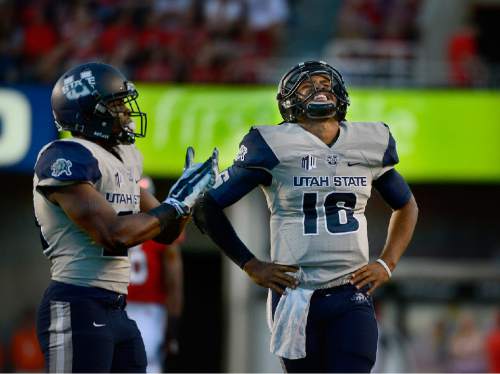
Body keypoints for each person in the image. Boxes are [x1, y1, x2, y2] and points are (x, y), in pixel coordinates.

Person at [194, 60, 418, 372]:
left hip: (350, 292)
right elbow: (206, 206)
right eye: (306, 85)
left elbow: (406, 205)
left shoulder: (368, 142)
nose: (319, 90)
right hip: (296, 295)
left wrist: (387, 262)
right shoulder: (272, 145)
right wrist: (250, 264)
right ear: (289, 101)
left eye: (325, 83)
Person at [33, 62, 218, 373]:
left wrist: (185, 203)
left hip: (117, 307)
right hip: (76, 300)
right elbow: (113, 232)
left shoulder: (125, 156)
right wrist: (173, 204)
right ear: (90, 112)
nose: (128, 113)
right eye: (116, 104)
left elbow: (164, 233)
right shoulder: (65, 157)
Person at [126, 176, 185, 373]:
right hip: (149, 311)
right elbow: (174, 283)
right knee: (148, 365)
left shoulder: (116, 223)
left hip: (115, 305)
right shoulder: (162, 230)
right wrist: (173, 329)